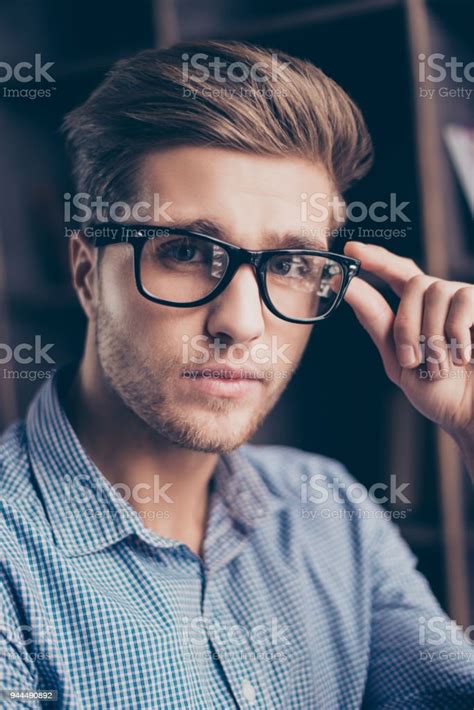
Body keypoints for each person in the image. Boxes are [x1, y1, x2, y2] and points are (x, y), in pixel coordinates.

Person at [1, 41, 473, 709]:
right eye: (186, 251)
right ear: (86, 275)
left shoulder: (330, 508)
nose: (243, 323)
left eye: (289, 264)